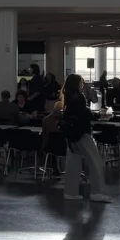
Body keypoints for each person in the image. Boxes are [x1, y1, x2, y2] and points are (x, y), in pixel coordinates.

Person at [47, 74, 112, 203]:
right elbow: (85, 115)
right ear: (76, 84)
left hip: (71, 135)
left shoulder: (67, 98)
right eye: (81, 83)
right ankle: (97, 192)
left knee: (73, 164)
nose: (83, 85)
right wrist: (99, 115)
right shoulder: (80, 98)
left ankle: (70, 192)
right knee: (95, 162)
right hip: (82, 134)